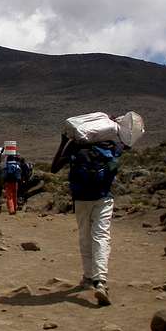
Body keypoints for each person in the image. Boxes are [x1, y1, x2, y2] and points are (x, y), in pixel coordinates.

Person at [51, 130, 125, 307]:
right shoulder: (110, 146)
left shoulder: (75, 147)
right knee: (101, 236)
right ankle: (101, 281)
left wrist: (63, 142)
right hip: (103, 197)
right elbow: (126, 145)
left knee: (85, 236)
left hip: (81, 198)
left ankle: (88, 277)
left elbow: (54, 168)